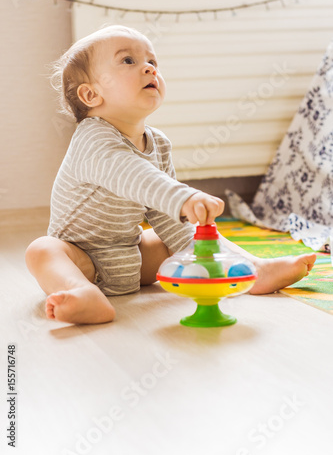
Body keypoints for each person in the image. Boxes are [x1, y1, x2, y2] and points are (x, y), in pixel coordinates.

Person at [25, 25, 317, 325]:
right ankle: (81, 293)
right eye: (129, 61)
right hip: (82, 257)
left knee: (179, 237)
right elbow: (133, 175)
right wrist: (183, 197)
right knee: (42, 250)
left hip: (131, 256)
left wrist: (185, 219)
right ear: (91, 94)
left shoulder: (158, 143)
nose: (149, 69)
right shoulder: (92, 138)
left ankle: (252, 269)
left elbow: (165, 214)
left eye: (153, 62)